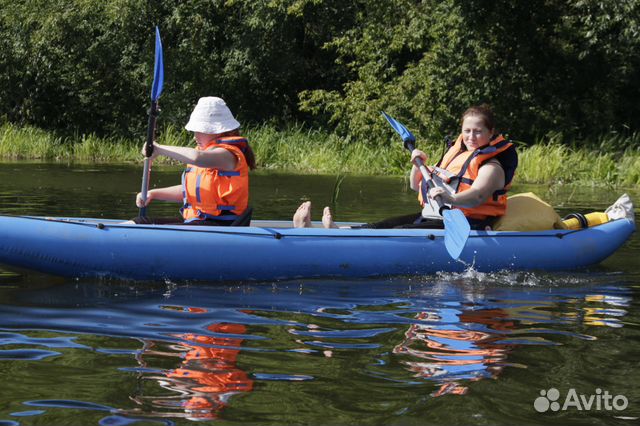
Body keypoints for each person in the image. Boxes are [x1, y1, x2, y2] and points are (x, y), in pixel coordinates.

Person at [293, 105, 517, 230]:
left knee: (399, 232)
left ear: (490, 132)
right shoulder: (456, 154)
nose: (471, 136)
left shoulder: (492, 166)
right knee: (381, 225)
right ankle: (337, 233)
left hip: (466, 223)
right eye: (467, 131)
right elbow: (414, 186)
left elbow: (477, 197)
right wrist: (417, 166)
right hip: (435, 217)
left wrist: (450, 200)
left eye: (478, 131)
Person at [132, 96, 256, 226]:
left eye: (199, 130)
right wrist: (153, 193)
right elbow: (190, 190)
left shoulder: (227, 155)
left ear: (218, 131)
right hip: (198, 222)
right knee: (139, 222)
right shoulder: (208, 153)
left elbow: (197, 157)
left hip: (219, 226)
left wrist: (159, 149)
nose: (195, 135)